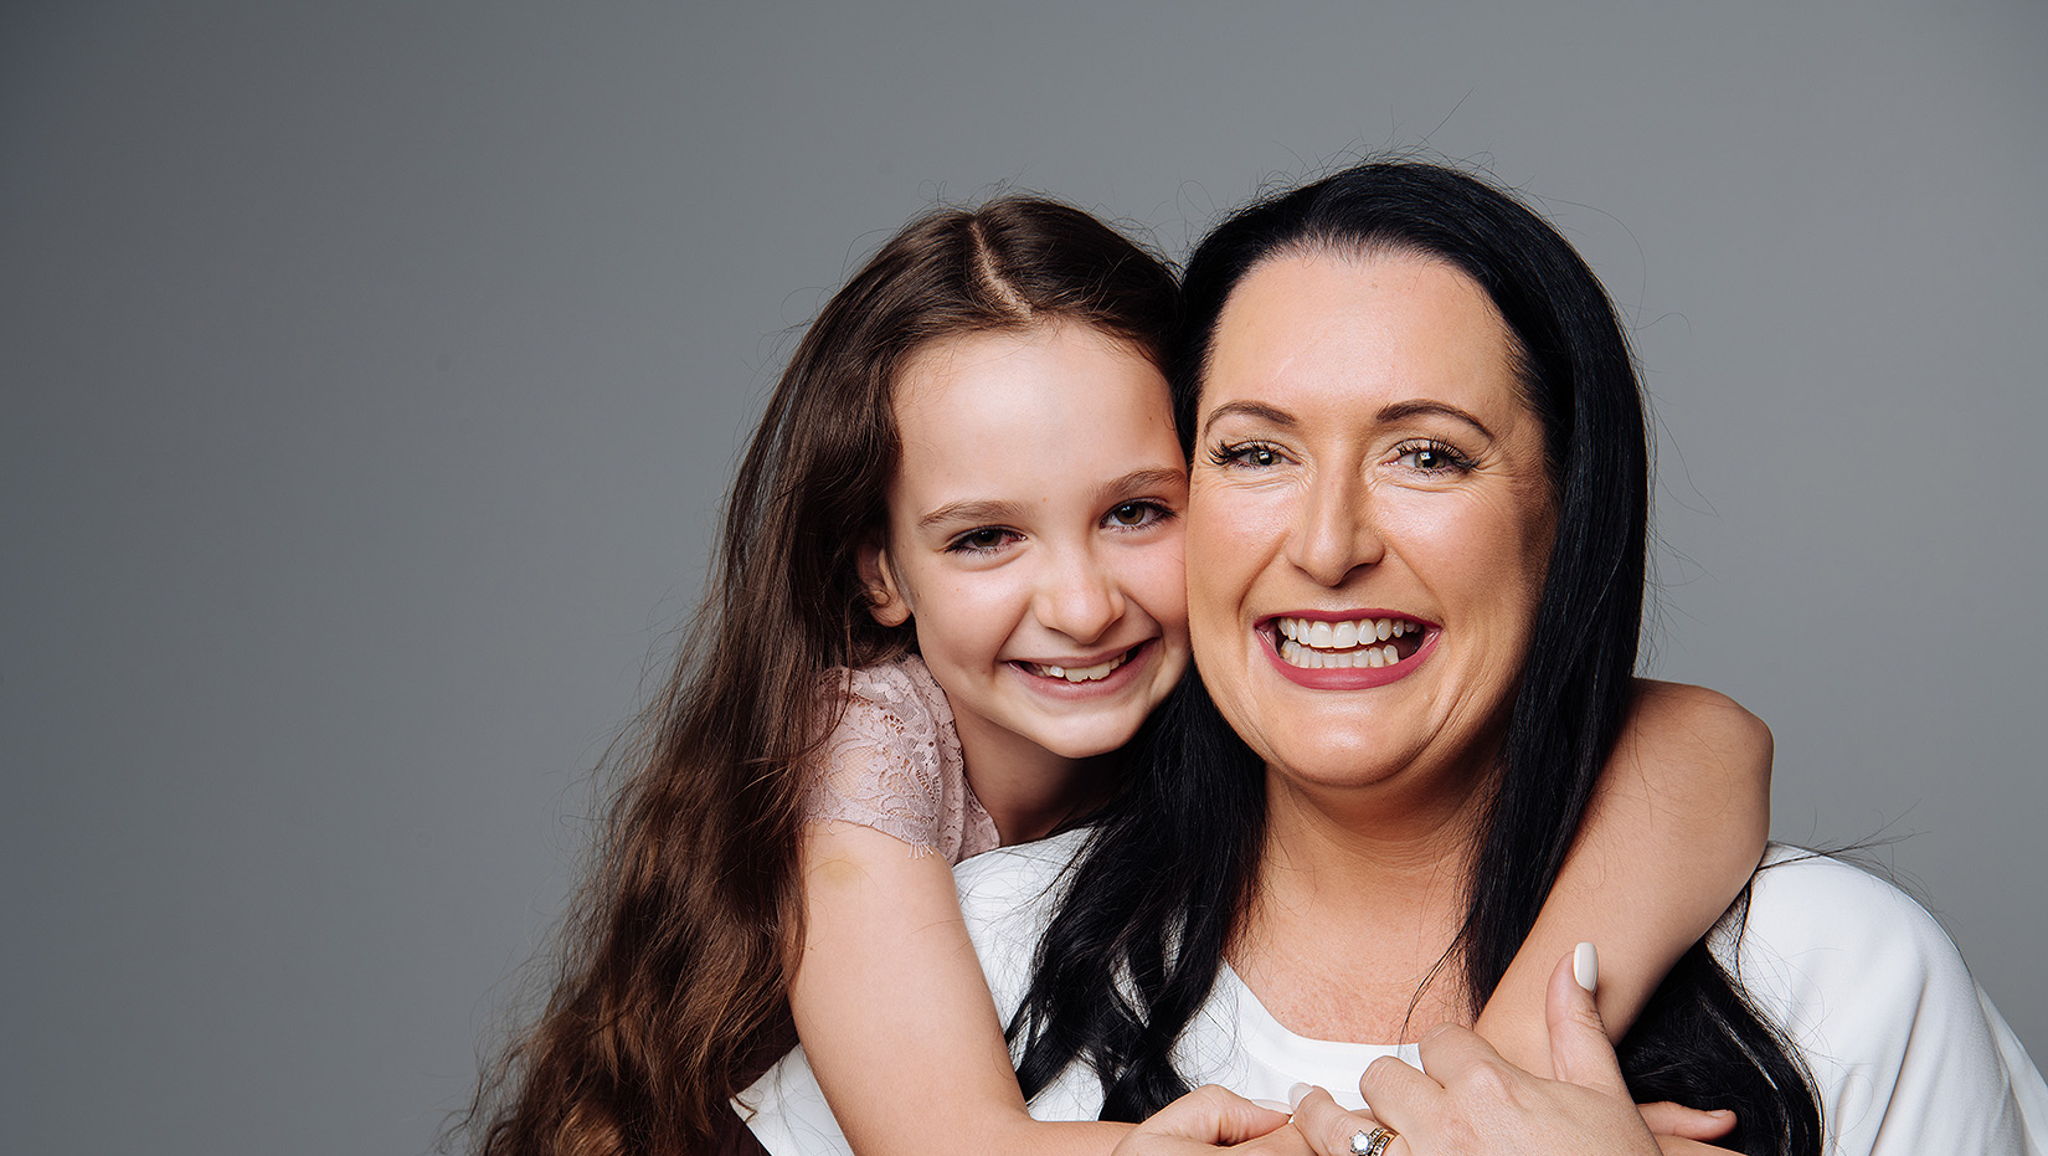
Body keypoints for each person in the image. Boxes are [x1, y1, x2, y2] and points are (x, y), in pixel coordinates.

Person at [741, 162, 2048, 1155]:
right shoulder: (963, 976)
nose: (1329, 546)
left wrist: (1516, 1078)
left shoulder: (1839, 980)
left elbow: (1698, 743)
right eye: (1256, 451)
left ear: (1569, 512)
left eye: (1428, 454)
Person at [468, 195, 1773, 1156]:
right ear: (879, 576)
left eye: (1138, 512)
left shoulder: (1253, 685)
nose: (1084, 605)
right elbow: (957, 1148)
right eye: (984, 539)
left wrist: (1519, 1085)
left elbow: (1706, 745)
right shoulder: (861, 744)